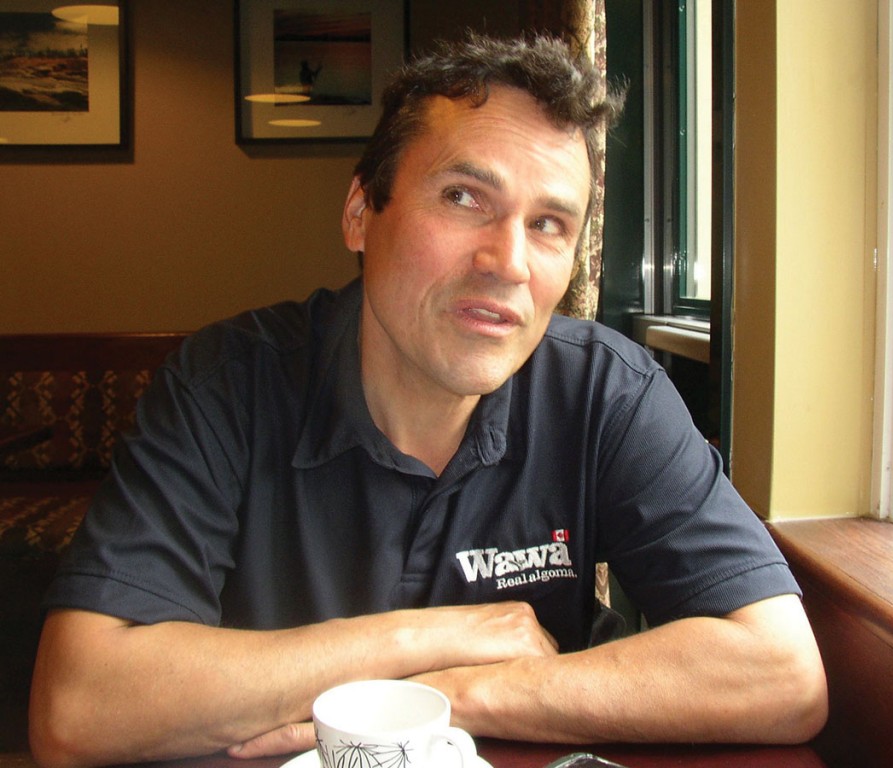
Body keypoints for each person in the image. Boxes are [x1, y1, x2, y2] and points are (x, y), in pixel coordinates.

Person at [29, 34, 827, 768]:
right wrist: (448, 635)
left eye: (549, 223)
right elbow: (79, 708)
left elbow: (783, 674)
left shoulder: (606, 393)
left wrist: (455, 693)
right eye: (464, 198)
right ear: (360, 213)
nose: (508, 262)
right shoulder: (227, 384)